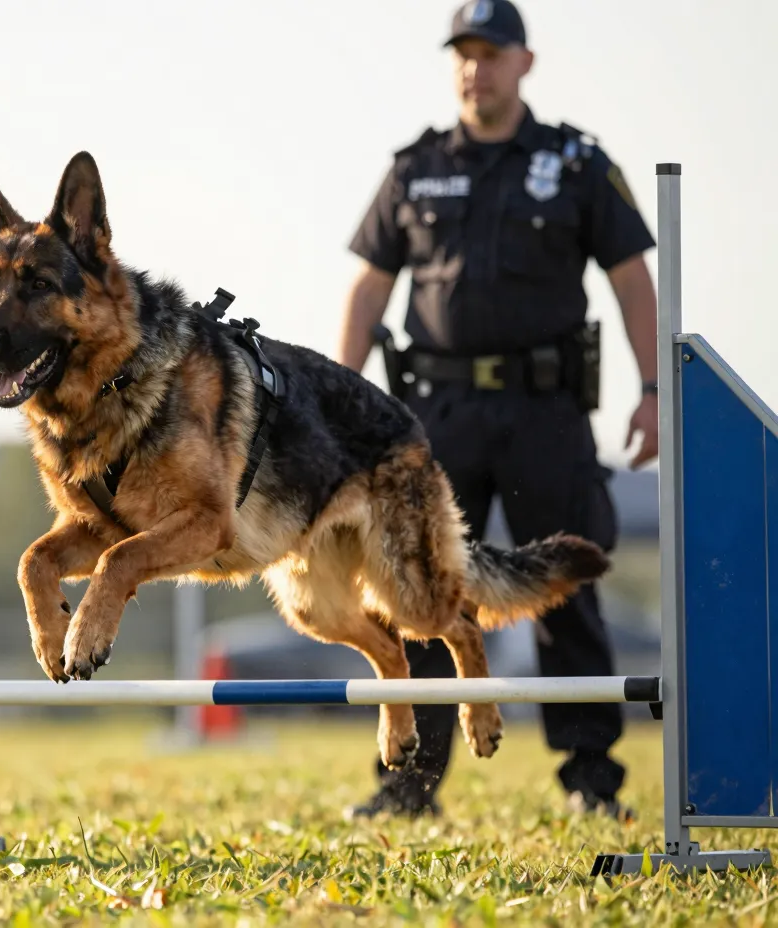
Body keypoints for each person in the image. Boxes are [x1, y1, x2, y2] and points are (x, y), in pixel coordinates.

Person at [336, 0, 659, 821]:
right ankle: (409, 785)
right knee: (416, 590)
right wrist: (336, 406)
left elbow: (630, 277)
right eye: (464, 53)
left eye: (493, 52)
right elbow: (369, 285)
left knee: (564, 588)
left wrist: (656, 390)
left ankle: (591, 782)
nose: (476, 67)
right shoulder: (414, 168)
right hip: (433, 418)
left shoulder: (575, 163)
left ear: (525, 63)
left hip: (544, 410)